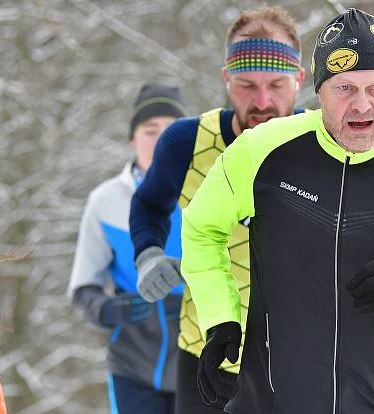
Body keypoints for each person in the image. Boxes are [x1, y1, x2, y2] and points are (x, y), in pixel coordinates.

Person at [181, 8, 374, 414]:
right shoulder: (260, 150)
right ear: (318, 90)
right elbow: (201, 229)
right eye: (344, 88)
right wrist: (220, 319)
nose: (361, 106)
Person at [128, 6, 305, 413]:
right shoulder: (185, 142)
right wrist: (148, 255)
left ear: (299, 80)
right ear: (227, 80)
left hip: (300, 359)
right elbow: (148, 204)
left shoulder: (320, 144)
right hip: (206, 352)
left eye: (277, 84)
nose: (263, 101)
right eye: (246, 85)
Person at [68, 84, 186, 414]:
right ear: (133, 138)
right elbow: (83, 286)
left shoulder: (206, 195)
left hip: (198, 364)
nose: (160, 140)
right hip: (131, 363)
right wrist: (106, 310)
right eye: (150, 131)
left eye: (170, 131)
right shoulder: (105, 202)